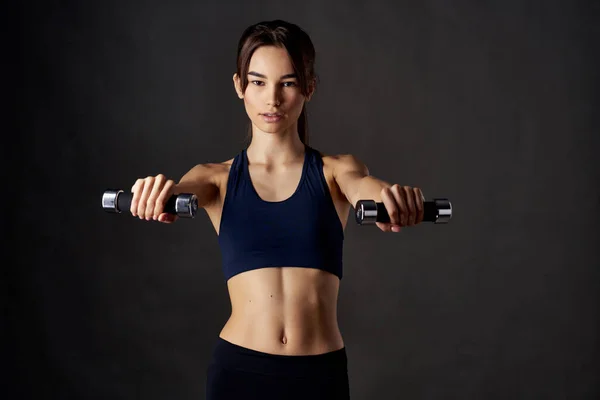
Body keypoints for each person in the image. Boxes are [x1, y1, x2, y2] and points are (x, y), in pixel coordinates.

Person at [129, 20, 425, 400]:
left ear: (309, 87)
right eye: (258, 82)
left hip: (319, 373)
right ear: (239, 86)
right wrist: (153, 192)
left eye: (287, 82)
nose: (272, 99)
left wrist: (394, 199)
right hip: (239, 370)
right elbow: (177, 191)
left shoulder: (336, 171)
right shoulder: (214, 179)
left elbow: (367, 188)